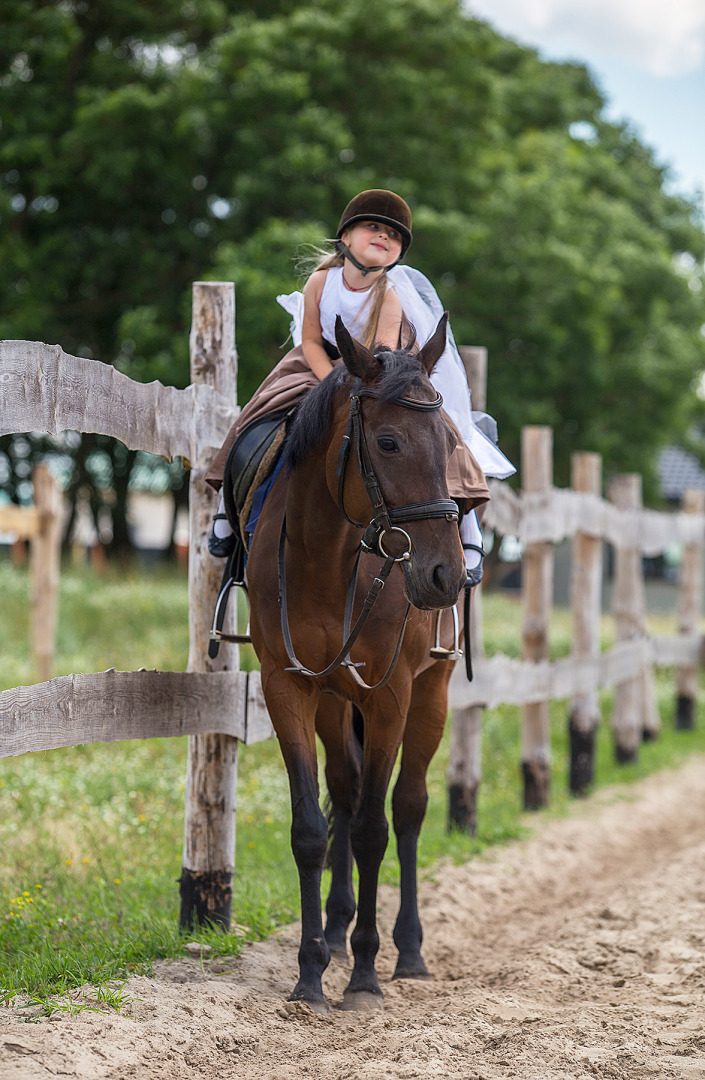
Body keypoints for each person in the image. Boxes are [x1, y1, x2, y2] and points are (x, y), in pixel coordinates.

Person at [205, 189, 515, 582]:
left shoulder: (390, 296)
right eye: (373, 227)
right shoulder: (320, 281)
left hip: (382, 372)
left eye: (394, 235)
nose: (384, 236)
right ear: (346, 237)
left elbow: (383, 356)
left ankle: (465, 528)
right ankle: (226, 505)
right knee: (261, 407)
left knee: (440, 432)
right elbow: (312, 340)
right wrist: (327, 384)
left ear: (398, 254)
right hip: (320, 365)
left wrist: (352, 382)